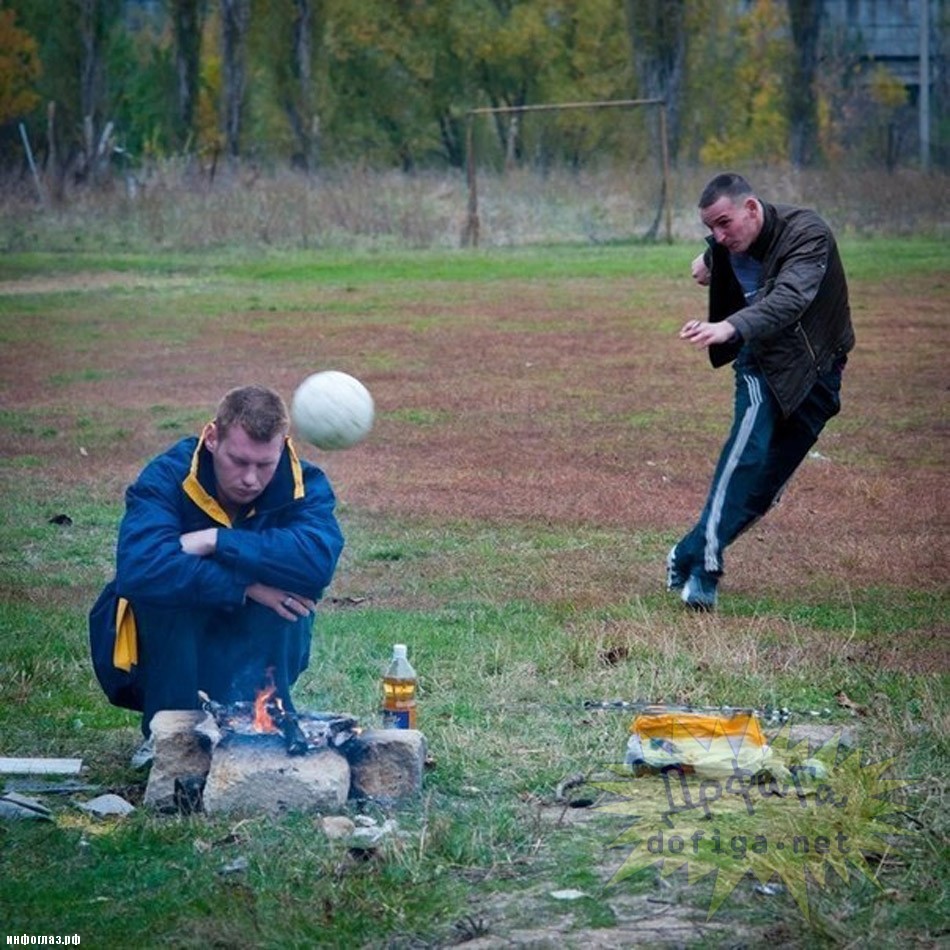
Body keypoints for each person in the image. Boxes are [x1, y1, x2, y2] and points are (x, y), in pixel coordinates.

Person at [89, 385, 344, 756]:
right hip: (154, 657)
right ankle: (172, 744)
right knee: (167, 591)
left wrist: (214, 541)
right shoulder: (167, 476)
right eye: (239, 461)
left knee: (289, 592)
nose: (251, 479)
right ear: (211, 438)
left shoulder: (304, 483)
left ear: (283, 446)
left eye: (264, 465)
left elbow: (318, 564)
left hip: (250, 647)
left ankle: (264, 727)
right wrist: (245, 586)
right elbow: (138, 568)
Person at [668, 173, 855, 610]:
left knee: (763, 488)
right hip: (760, 362)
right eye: (710, 229)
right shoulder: (728, 243)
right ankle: (706, 571)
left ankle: (687, 551)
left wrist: (729, 324)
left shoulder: (809, 234)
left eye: (724, 223)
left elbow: (790, 296)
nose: (718, 235)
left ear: (752, 208)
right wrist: (710, 256)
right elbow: (722, 252)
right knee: (746, 453)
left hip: (818, 373)